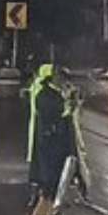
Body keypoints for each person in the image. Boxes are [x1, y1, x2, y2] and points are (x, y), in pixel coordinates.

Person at [27, 63, 75, 205]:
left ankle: (45, 191)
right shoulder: (44, 93)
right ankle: (46, 194)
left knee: (46, 164)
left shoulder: (45, 90)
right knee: (47, 165)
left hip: (48, 134)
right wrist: (69, 108)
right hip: (49, 135)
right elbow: (54, 112)